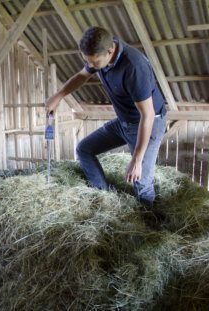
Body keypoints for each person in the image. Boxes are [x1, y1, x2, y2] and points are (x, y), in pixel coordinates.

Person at [44, 26, 167, 207]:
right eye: (87, 61)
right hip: (124, 122)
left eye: (94, 62)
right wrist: (59, 95)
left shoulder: (133, 67)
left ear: (110, 52)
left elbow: (147, 115)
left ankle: (148, 224)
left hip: (148, 123)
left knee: (140, 181)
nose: (91, 66)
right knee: (84, 149)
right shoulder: (101, 52)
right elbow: (82, 76)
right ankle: (104, 198)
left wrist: (137, 160)